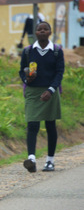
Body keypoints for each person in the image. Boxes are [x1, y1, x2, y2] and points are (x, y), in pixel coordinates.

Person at [19, 21, 64, 173]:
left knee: (50, 125)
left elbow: (59, 73)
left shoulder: (56, 51)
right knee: (32, 124)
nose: (42, 31)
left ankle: (50, 161)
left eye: (46, 29)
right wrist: (27, 79)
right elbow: (21, 71)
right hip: (33, 91)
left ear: (50, 32)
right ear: (36, 33)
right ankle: (31, 159)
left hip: (51, 90)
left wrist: (51, 90)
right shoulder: (28, 51)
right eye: (39, 29)